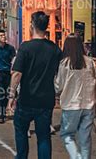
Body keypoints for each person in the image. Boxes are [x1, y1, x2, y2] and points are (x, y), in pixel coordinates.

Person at [8, 11, 63, 159]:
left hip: (26, 99)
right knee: (44, 137)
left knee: (21, 132)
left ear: (32, 25)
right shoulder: (54, 49)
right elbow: (61, 72)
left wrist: (11, 96)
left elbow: (17, 74)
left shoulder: (25, 47)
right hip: (46, 100)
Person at [55, 35, 96, 159]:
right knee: (85, 139)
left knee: (67, 135)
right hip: (88, 104)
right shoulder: (89, 62)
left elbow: (58, 85)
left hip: (71, 105)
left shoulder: (65, 63)